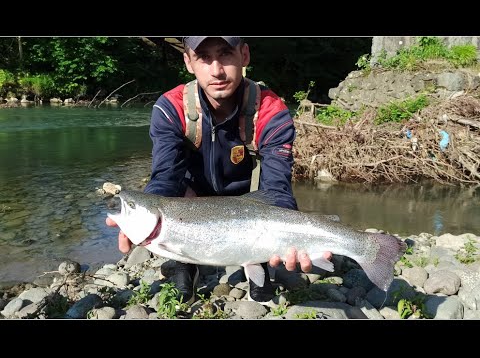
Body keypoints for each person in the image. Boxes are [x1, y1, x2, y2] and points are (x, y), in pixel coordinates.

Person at [106, 36, 331, 305]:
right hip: (191, 201)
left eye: (225, 54)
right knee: (171, 194)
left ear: (244, 55)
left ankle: (261, 262)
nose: (216, 70)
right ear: (188, 62)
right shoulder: (170, 107)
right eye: (204, 57)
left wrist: (290, 235)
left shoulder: (272, 111)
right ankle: (184, 263)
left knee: (275, 220)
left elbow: (277, 188)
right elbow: (165, 177)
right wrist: (144, 218)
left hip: (250, 204)